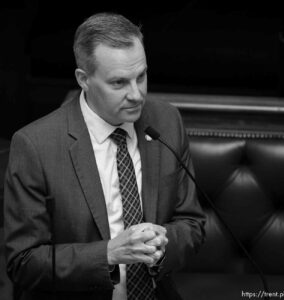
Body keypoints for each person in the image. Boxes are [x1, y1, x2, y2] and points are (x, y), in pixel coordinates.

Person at [4, 12, 206, 300]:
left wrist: (164, 243)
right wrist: (108, 253)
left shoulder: (166, 121)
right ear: (84, 80)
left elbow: (192, 223)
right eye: (119, 83)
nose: (137, 94)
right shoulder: (36, 145)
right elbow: (22, 262)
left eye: (142, 76)